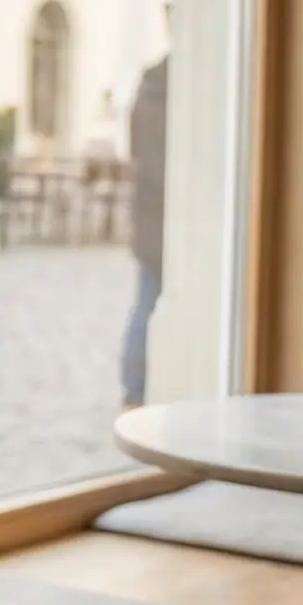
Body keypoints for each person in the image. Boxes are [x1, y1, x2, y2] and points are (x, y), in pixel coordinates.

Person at [122, 51, 169, 408]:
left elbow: (135, 150)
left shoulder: (148, 86)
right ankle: (138, 387)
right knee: (149, 304)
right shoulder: (181, 89)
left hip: (148, 213)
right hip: (168, 214)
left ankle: (134, 387)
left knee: (145, 305)